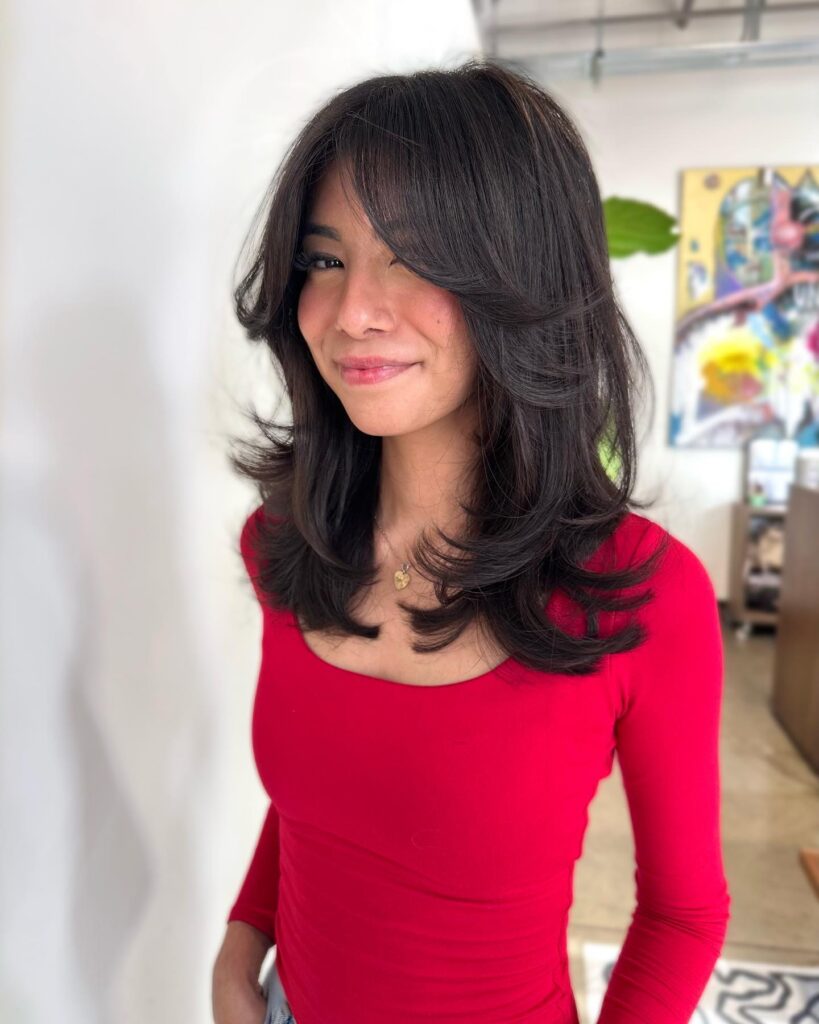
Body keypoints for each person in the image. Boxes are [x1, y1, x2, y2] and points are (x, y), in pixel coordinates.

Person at [211, 58, 731, 1024]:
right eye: (323, 259)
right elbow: (316, 806)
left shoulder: (641, 593)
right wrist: (240, 953)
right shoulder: (287, 543)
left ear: (525, 277)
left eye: (412, 256)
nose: (352, 309)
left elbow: (683, 915)